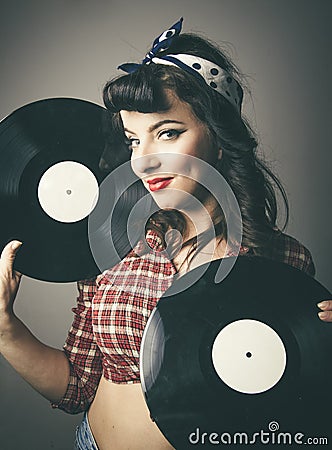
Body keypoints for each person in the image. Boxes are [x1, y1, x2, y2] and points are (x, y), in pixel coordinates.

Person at [0, 18, 331, 450]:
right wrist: (6, 329)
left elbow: (285, 412)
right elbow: (77, 386)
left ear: (219, 135)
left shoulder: (284, 261)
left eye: (168, 133)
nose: (144, 161)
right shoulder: (109, 244)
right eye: (134, 141)